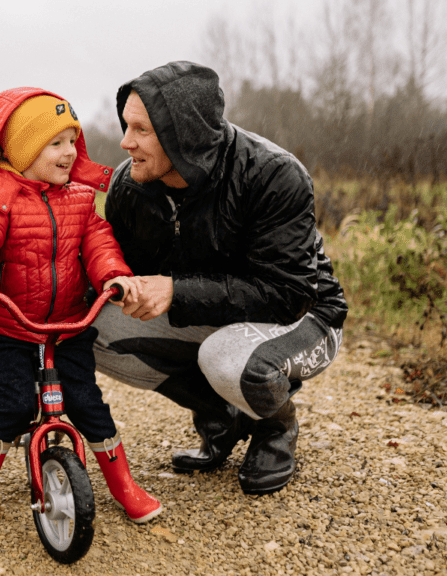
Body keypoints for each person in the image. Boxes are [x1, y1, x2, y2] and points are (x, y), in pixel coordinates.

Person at [92, 62, 349, 495]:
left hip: (307, 316)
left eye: (141, 130)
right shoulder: (129, 185)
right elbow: (113, 269)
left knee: (227, 358)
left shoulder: (273, 174)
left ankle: (274, 430)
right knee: (86, 326)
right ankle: (222, 417)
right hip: (214, 312)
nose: (125, 142)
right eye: (126, 126)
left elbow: (288, 294)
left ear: (182, 135)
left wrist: (176, 291)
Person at [0, 88, 162, 526]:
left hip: (68, 328)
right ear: (23, 151)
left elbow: (98, 242)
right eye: (56, 143)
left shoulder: (81, 201)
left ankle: (125, 486)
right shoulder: (0, 201)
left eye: (73, 141)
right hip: (11, 330)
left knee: (87, 404)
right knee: (15, 405)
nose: (69, 152)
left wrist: (113, 275)